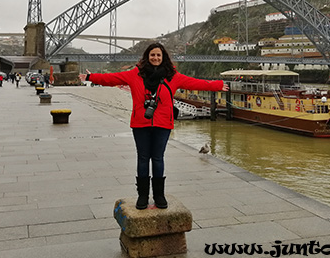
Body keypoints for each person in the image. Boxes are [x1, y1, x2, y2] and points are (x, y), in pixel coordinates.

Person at [79, 43, 229, 210]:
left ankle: (159, 195)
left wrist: (216, 85)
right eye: (152, 55)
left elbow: (195, 83)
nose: (156, 58)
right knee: (143, 158)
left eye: (159, 55)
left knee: (158, 158)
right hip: (140, 123)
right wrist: (92, 77)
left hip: (163, 124)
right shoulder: (134, 74)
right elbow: (113, 78)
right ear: (147, 57)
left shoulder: (173, 76)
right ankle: (142, 196)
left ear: (163, 57)